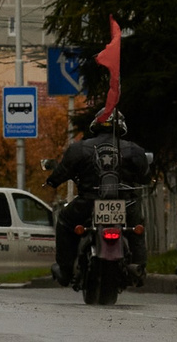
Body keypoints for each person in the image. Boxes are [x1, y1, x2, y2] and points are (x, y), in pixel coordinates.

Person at [46, 109, 153, 283]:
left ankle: (65, 269)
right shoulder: (134, 149)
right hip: (125, 203)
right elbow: (146, 177)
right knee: (136, 229)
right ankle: (138, 267)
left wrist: (51, 181)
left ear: (96, 125)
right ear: (121, 127)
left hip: (88, 202)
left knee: (65, 221)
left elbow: (61, 172)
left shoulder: (79, 148)